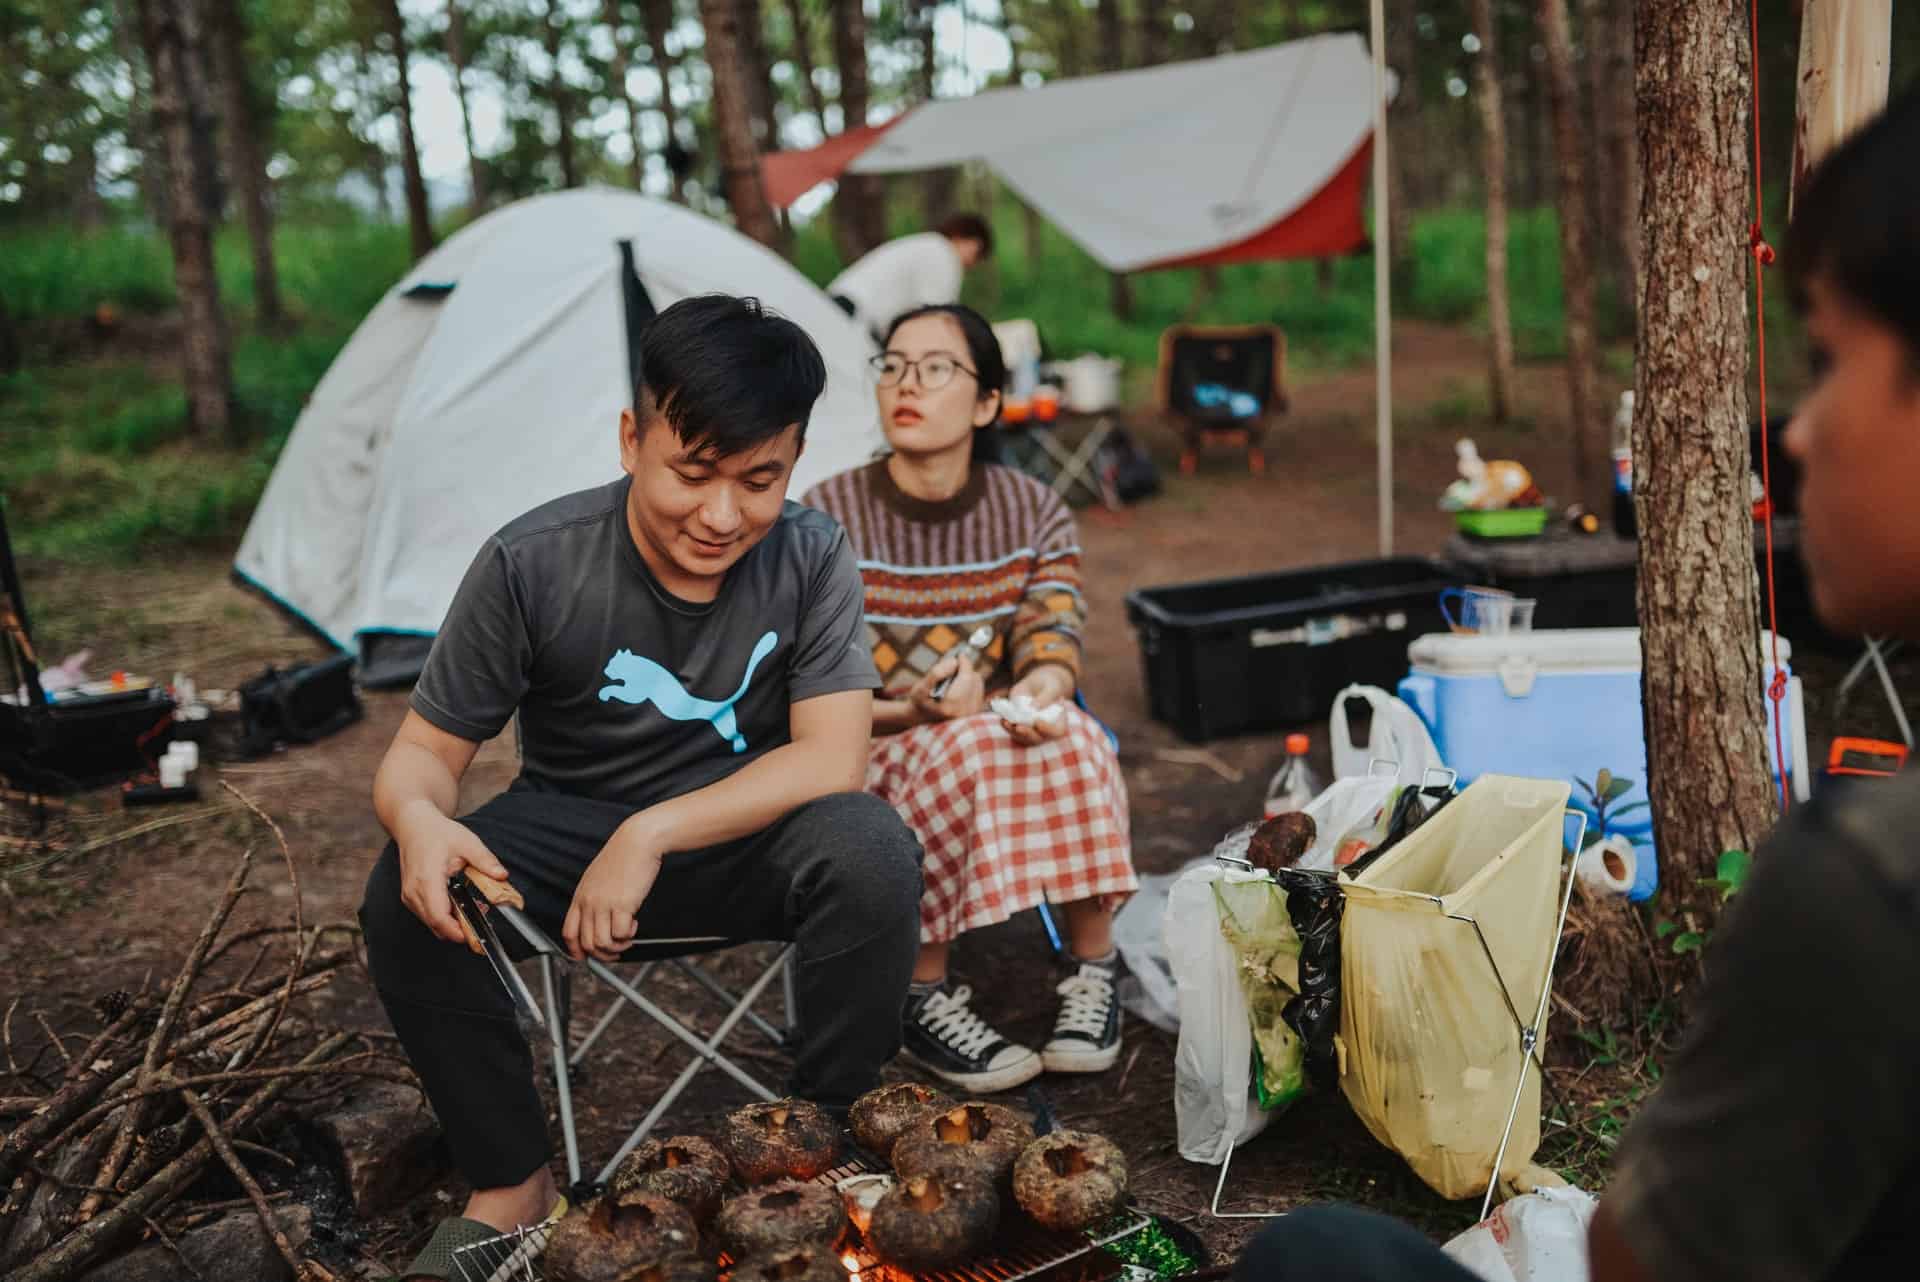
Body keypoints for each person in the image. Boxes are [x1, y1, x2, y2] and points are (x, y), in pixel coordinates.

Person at [1229, 86, 1920, 1282]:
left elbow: (1640, 1264)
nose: (1795, 432)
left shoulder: (1872, 881)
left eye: (1825, 357)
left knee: (1316, 1258)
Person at [360, 295, 923, 1278]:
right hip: (565, 832)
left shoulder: (811, 553)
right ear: (633, 438)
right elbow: (422, 754)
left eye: (759, 480)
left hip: (744, 838)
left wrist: (654, 830)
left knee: (870, 841)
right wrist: (417, 819)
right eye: (692, 473)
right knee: (406, 896)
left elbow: (833, 759)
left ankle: (831, 1149)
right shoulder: (532, 562)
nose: (721, 515)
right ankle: (512, 1182)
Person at [802, 303, 1137, 1094]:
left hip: (982, 722)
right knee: (962, 744)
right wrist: (913, 709)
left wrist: (1041, 691)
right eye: (893, 365)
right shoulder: (824, 516)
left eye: (936, 368)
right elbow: (810, 687)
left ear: (988, 402)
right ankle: (919, 992)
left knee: (1076, 732)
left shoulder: (1033, 508)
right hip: (868, 735)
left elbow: (1053, 634)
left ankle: (1094, 969)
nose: (906, 384)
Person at [828, 213, 994, 347]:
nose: (973, 265)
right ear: (973, 243)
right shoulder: (944, 254)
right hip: (852, 316)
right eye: (977, 256)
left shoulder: (926, 244)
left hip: (838, 305)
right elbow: (936, 315)